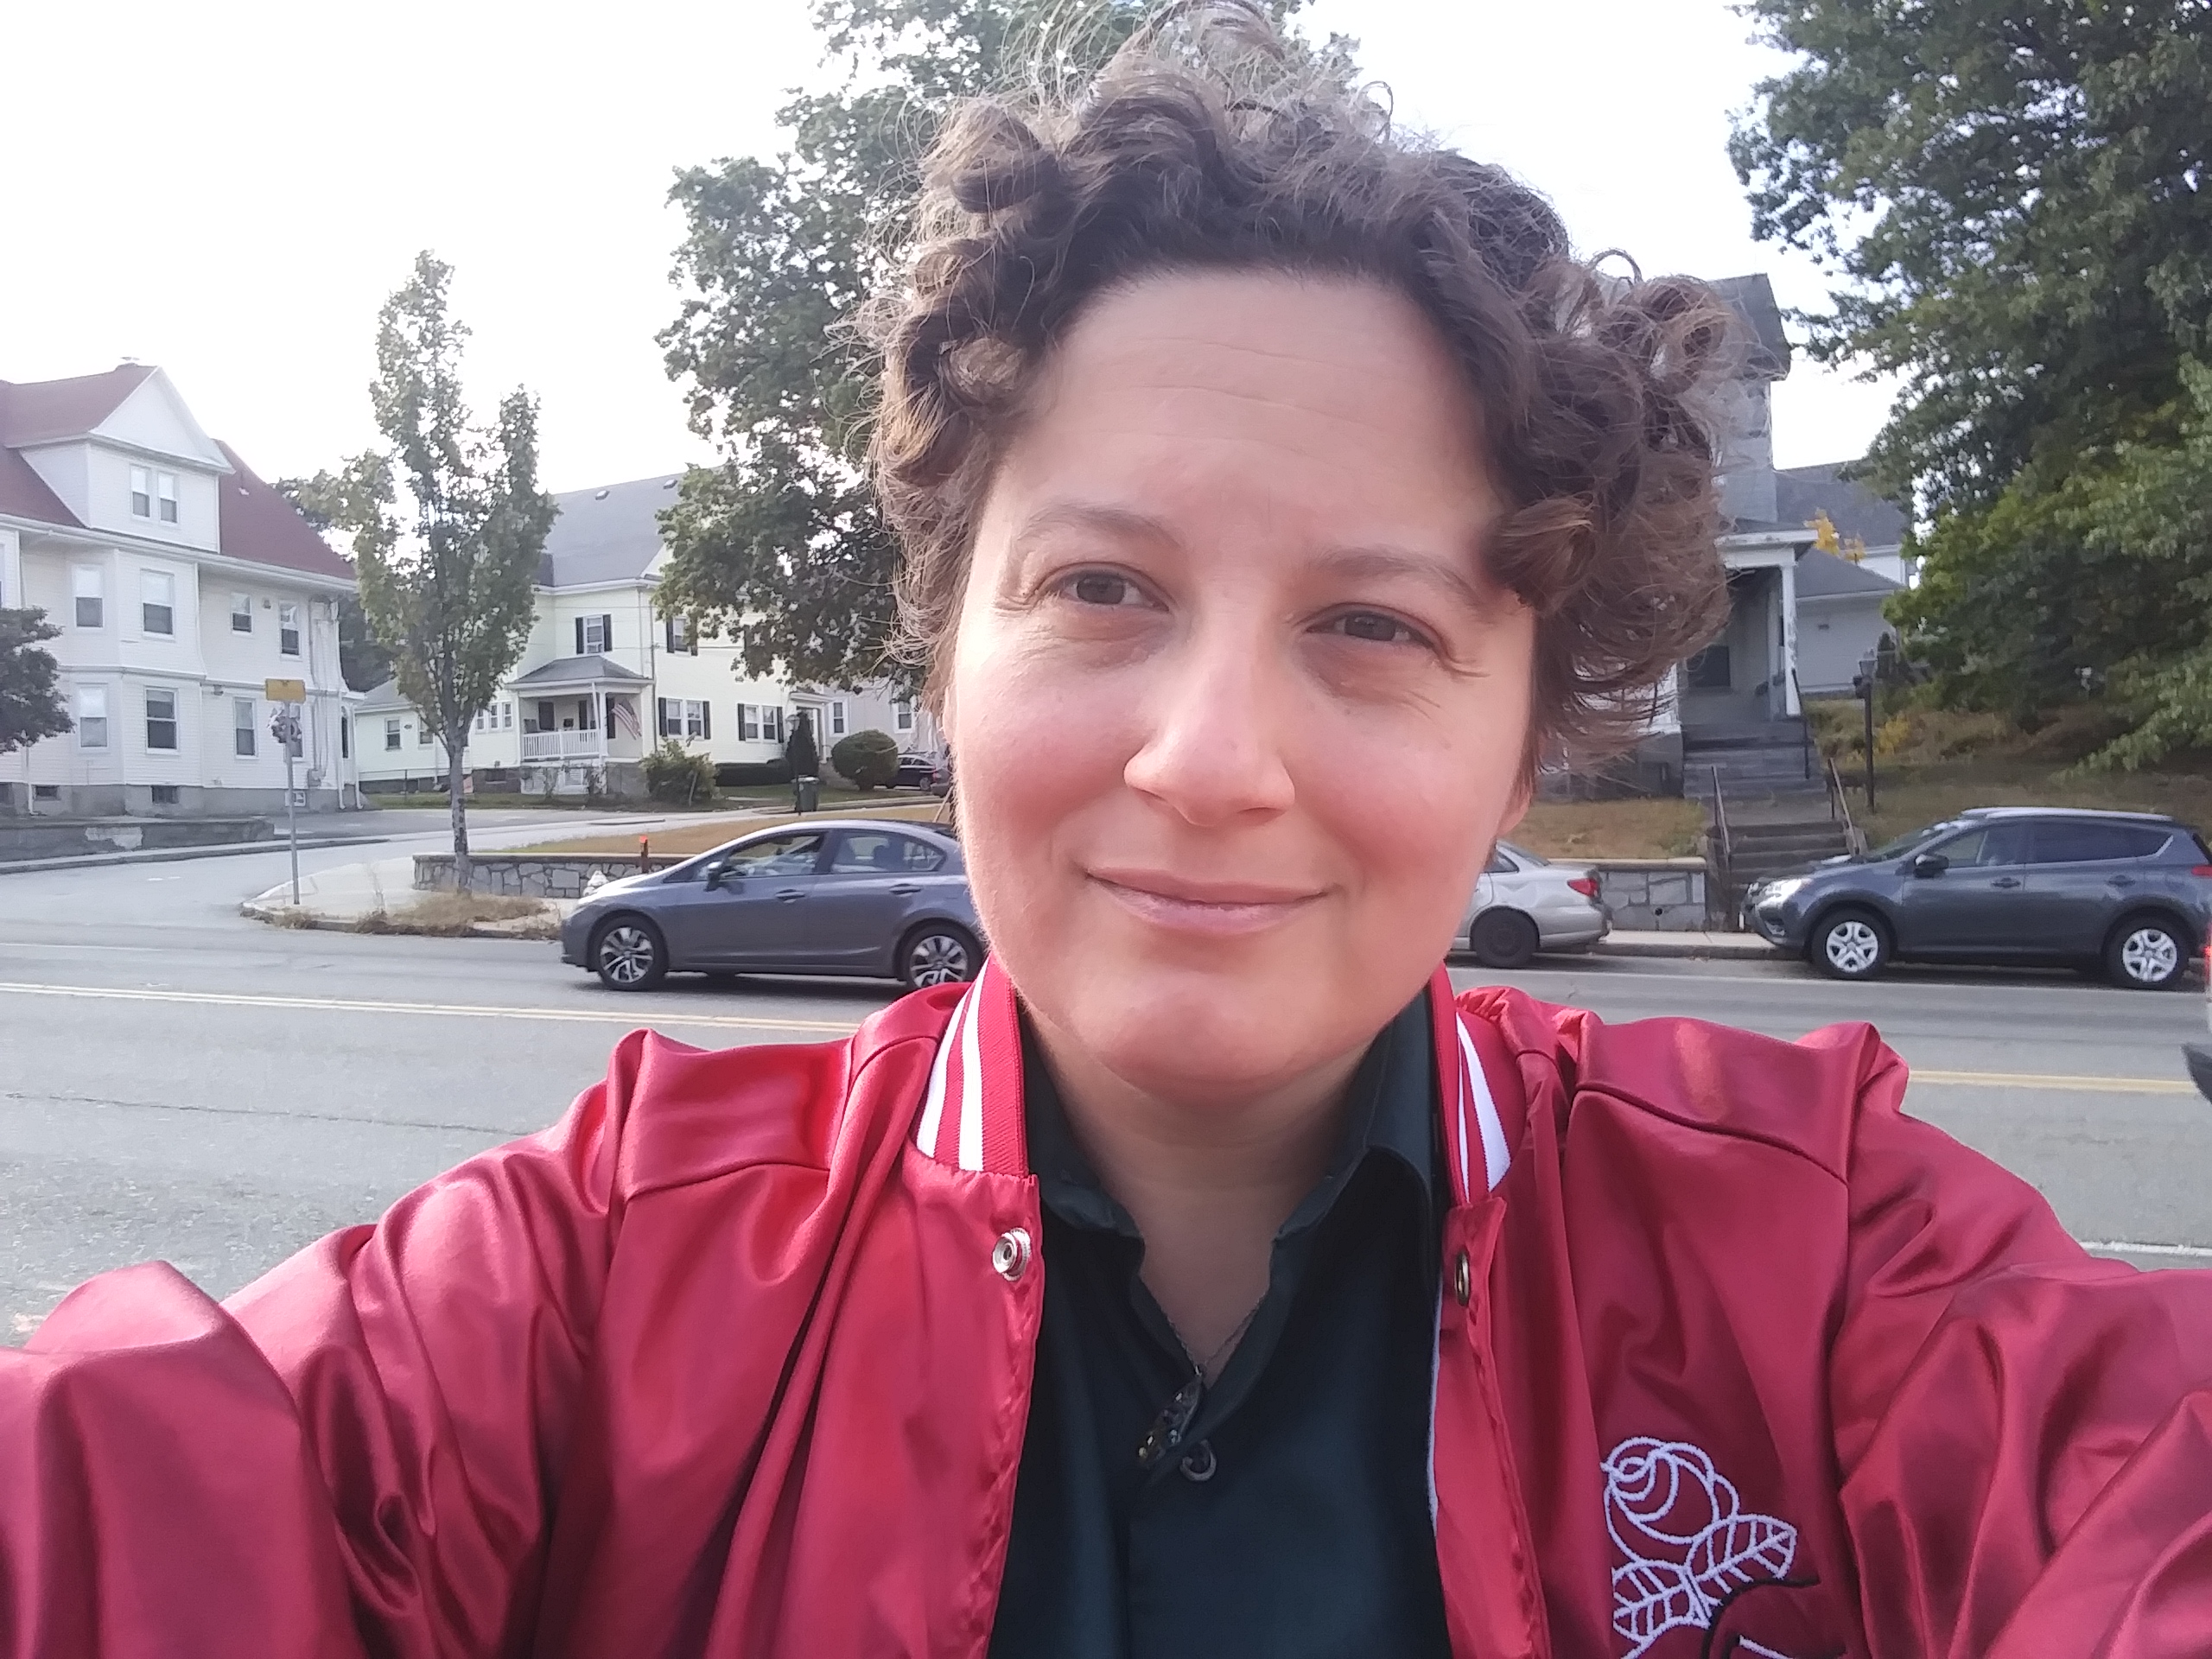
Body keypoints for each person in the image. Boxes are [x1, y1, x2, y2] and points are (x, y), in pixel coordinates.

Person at [8, 10, 2210, 1656]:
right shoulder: (596, 1286)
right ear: (943, 659)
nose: (1207, 757)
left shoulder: (1817, 1261)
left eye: (1368, 624)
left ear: (1524, 739)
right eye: (1100, 590)